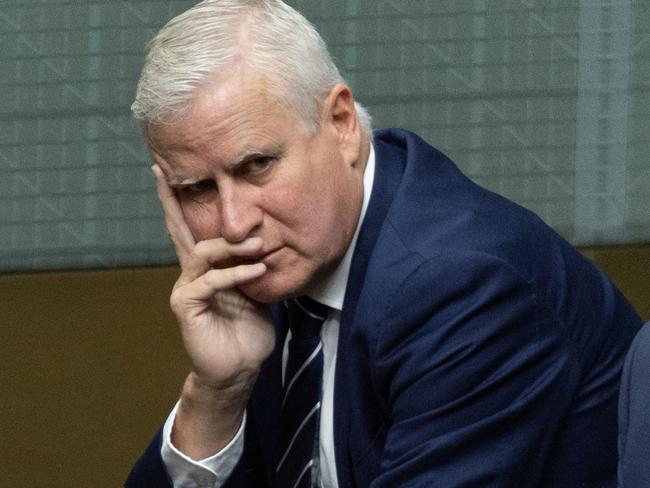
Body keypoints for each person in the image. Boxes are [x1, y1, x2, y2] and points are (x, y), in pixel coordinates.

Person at [126, 1, 643, 486]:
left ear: (342, 125)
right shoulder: (282, 266)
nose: (234, 224)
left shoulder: (461, 282)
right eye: (197, 189)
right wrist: (216, 393)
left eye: (258, 165)